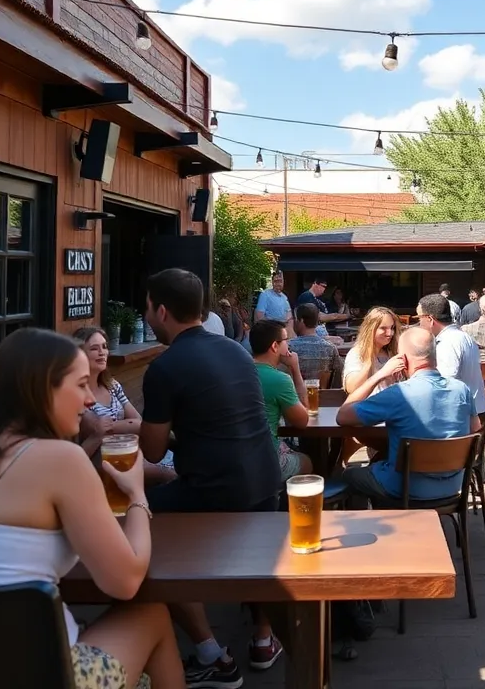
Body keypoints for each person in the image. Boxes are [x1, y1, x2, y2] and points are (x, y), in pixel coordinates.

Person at [0, 328, 184, 689]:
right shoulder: (60, 458)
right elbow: (125, 582)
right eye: (80, 386)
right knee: (152, 615)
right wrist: (138, 496)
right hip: (37, 674)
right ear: (44, 389)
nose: (87, 401)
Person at [138, 268, 284, 685]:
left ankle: (211, 654)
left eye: (148, 309)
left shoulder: (163, 368)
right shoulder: (236, 351)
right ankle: (262, 638)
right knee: (260, 555)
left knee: (141, 541)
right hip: (265, 480)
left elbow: (151, 451)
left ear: (162, 311)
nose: (147, 318)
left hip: (213, 490)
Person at [336, 328, 480, 507]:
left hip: (406, 488)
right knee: (382, 461)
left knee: (349, 475)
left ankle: (373, 528)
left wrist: (380, 375)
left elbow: (343, 416)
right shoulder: (461, 389)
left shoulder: (399, 394)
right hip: (453, 486)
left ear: (402, 359)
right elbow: (475, 428)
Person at [73, 326, 176, 487]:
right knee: (168, 475)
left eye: (105, 347)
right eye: (94, 348)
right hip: (102, 463)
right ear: (79, 354)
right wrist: (125, 427)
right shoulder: (77, 394)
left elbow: (137, 421)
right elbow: (96, 429)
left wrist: (114, 428)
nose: (102, 352)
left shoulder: (111, 385)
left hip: (128, 453)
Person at [250, 320, 314, 480]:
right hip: (265, 458)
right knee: (307, 462)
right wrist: (295, 369)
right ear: (274, 346)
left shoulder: (239, 371)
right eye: (286, 340)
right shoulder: (279, 380)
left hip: (238, 454)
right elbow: (302, 420)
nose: (289, 345)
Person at [417, 293, 485, 415]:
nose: (419, 324)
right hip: (474, 411)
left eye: (419, 318)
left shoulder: (448, 342)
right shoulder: (463, 336)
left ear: (430, 319)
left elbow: (446, 382)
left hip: (462, 418)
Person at [342, 307, 400, 396]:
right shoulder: (357, 353)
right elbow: (351, 388)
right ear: (370, 329)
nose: (390, 333)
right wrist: (369, 361)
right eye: (383, 328)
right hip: (368, 406)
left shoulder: (393, 351)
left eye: (392, 328)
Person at [288, 302, 342, 383]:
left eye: (295, 319)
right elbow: (339, 374)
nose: (293, 323)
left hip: (294, 394)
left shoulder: (289, 347)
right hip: (322, 393)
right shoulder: (330, 348)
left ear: (301, 320)